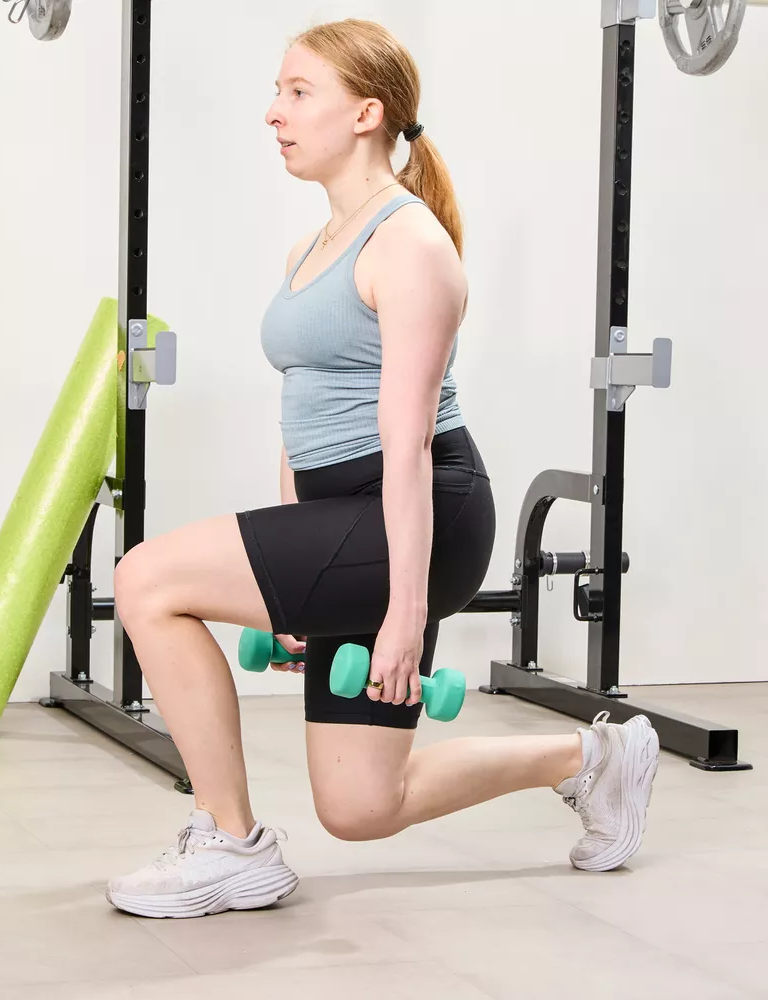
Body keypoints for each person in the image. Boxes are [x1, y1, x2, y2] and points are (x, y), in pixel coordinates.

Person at [105, 18, 660, 920]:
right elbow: (304, 413)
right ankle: (596, 761)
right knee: (364, 806)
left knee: (145, 581)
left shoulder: (410, 246)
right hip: (348, 522)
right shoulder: (313, 247)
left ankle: (230, 842)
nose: (273, 114)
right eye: (278, 93)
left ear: (366, 113)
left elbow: (401, 445)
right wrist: (288, 566)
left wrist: (403, 616)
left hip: (417, 515)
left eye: (297, 92)